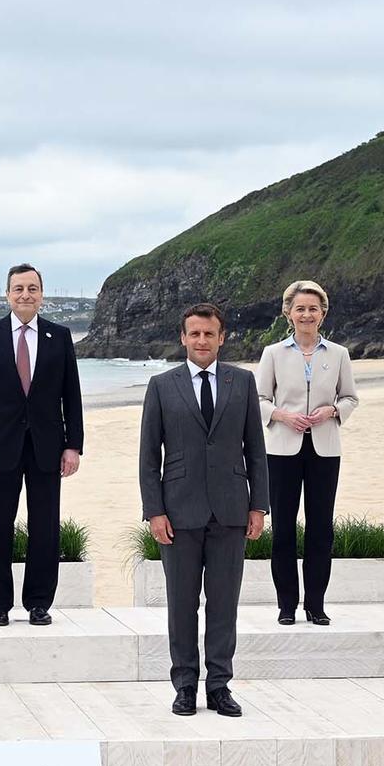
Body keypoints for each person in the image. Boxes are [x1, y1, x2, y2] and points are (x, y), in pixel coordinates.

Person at [138, 302, 268, 718]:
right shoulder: (161, 385)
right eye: (194, 334)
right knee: (181, 603)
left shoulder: (242, 382)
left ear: (222, 337)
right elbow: (147, 457)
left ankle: (219, 685)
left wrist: (259, 506)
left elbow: (256, 450)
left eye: (208, 334)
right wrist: (154, 511)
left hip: (231, 508)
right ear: (183, 337)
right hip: (178, 512)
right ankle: (184, 686)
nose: (201, 341)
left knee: (224, 604)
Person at [0, 264, 84, 626]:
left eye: (32, 288)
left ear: (42, 294)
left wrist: (73, 445)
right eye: (18, 289)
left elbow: (71, 395)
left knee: (45, 527)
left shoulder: (59, 337)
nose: (25, 295)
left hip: (48, 446)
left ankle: (38, 603)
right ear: (8, 295)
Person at [255, 280, 359, 626]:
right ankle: (287, 605)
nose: (306, 314)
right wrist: (283, 415)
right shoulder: (273, 353)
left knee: (320, 529)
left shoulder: (339, 354)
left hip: (325, 449)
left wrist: (332, 411)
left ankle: (316, 605)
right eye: (300, 308)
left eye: (313, 308)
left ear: (323, 313)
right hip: (282, 450)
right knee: (283, 528)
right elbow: (258, 400)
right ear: (288, 313)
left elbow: (350, 398)